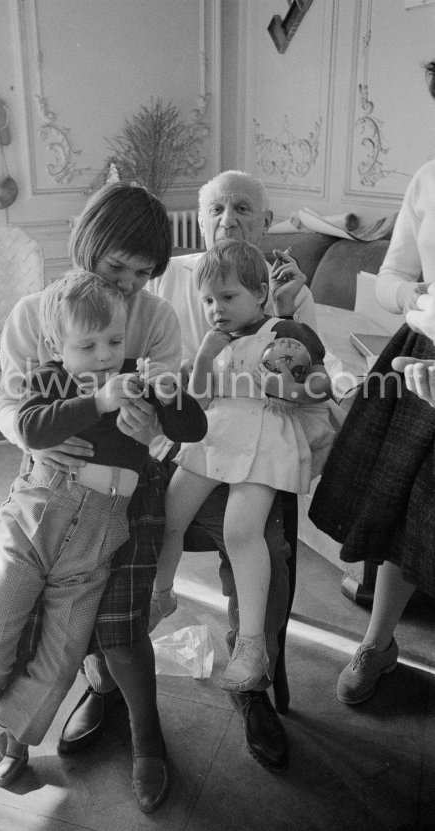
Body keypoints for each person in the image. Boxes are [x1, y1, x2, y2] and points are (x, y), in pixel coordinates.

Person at [0, 271, 207, 804]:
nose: (105, 355)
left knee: (62, 656)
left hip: (103, 528)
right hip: (37, 512)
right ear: (57, 348)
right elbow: (33, 427)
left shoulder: (135, 375)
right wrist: (99, 403)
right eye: (87, 346)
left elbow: (192, 430)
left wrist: (170, 395)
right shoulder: (51, 378)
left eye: (113, 341)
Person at [0, 182, 183, 813]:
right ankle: (14, 729)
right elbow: (9, 405)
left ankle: (148, 739)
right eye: (115, 267)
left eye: (143, 274)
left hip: (130, 488)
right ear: (86, 246)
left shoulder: (154, 319)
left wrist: (156, 427)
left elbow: (178, 415)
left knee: (118, 623)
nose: (129, 285)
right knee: (24, 607)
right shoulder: (31, 314)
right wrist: (31, 434)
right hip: (49, 484)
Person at [147, 169, 318, 772]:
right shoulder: (175, 276)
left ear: (265, 222)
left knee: (257, 535)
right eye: (216, 207)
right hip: (192, 440)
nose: (227, 217)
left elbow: (307, 384)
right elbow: (165, 374)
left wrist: (292, 309)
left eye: (243, 208)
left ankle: (253, 683)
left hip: (256, 450)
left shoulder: (286, 290)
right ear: (200, 215)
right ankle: (112, 666)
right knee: (138, 513)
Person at [153, 240, 334, 692]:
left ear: (259, 292)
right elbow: (198, 397)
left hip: (264, 439)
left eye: (228, 297)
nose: (216, 309)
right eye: (209, 300)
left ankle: (251, 644)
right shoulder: (217, 342)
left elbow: (321, 382)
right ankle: (160, 594)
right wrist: (205, 355)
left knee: (241, 530)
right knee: (169, 513)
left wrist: (291, 386)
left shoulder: (284, 329)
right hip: (213, 435)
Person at [309, 60, 435, 707]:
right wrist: (414, 291)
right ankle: (378, 642)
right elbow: (390, 278)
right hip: (423, 357)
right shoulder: (427, 181)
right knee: (401, 503)